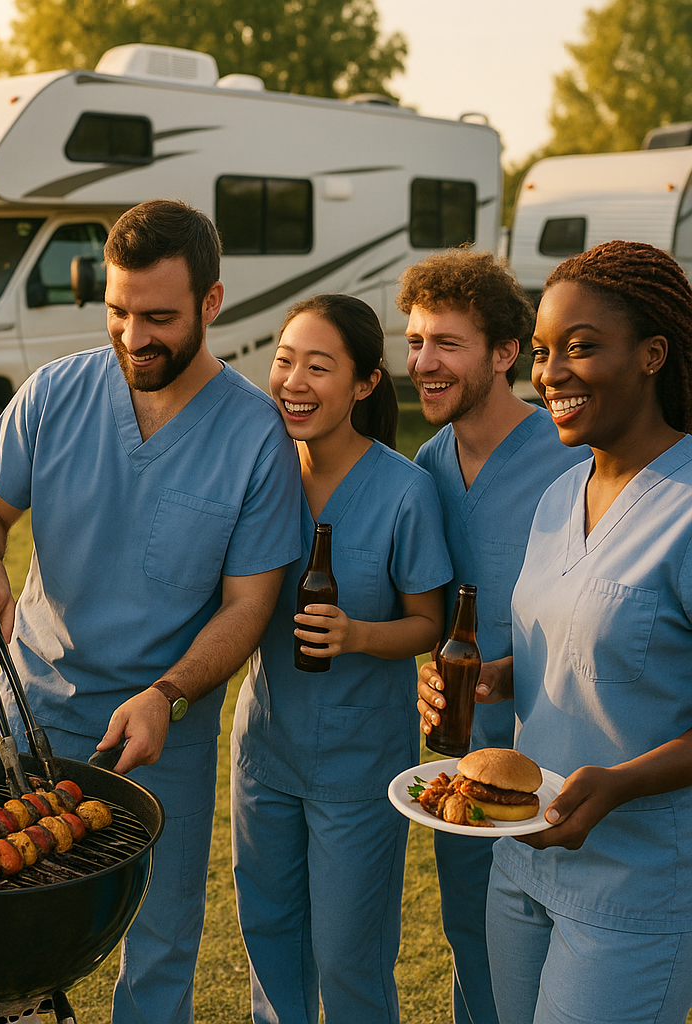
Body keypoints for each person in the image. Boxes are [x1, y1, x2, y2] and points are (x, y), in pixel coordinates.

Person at [0, 198, 301, 1024]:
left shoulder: (256, 434)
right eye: (117, 312)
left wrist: (168, 695)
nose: (134, 337)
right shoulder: (54, 392)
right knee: (3, 924)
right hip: (32, 710)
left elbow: (249, 606)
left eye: (159, 318)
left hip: (161, 733)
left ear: (211, 303)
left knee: (159, 946)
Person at [418, 240, 692, 1024]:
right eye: (542, 352)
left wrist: (621, 784)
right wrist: (498, 677)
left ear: (652, 355)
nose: (551, 373)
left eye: (580, 347)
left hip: (634, 884)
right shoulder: (561, 494)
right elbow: (575, 644)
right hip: (523, 859)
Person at [230, 293, 452, 1023]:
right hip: (265, 750)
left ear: (364, 383)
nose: (293, 382)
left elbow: (429, 623)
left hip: (359, 762)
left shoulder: (404, 491)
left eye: (318, 367)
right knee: (269, 938)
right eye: (284, 360)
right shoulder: (260, 474)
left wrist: (356, 635)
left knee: (348, 957)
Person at [399, 249, 587, 1024]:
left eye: (446, 343)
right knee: (470, 937)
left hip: (566, 752)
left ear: (506, 353)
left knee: (560, 952)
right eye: (415, 342)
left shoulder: (573, 454)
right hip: (465, 756)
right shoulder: (427, 465)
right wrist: (428, 666)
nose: (423, 362)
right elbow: (431, 612)